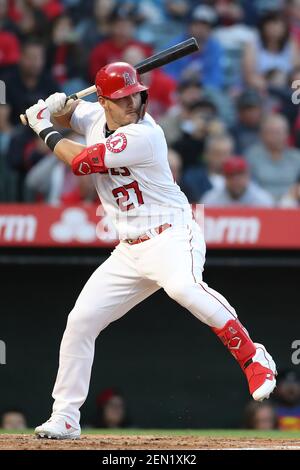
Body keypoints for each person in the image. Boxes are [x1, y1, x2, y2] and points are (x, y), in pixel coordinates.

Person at [24, 61, 277, 440]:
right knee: (80, 322)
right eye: (123, 98)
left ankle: (253, 356)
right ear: (106, 101)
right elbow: (76, 112)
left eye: (136, 96)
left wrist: (42, 125)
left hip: (171, 236)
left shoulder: (145, 134)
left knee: (184, 289)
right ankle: (65, 415)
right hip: (129, 250)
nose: (133, 103)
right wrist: (59, 106)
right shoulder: (96, 115)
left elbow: (79, 161)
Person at [246, 114, 300, 202]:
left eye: (278, 132)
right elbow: (249, 185)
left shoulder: (296, 157)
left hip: (291, 200)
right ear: (262, 135)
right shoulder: (252, 156)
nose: (275, 137)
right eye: (271, 132)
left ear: (287, 134)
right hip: (260, 201)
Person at [201, 156, 274, 207]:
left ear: (248, 176)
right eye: (231, 175)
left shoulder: (263, 200)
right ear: (224, 177)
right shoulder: (210, 199)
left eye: (240, 175)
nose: (235, 180)